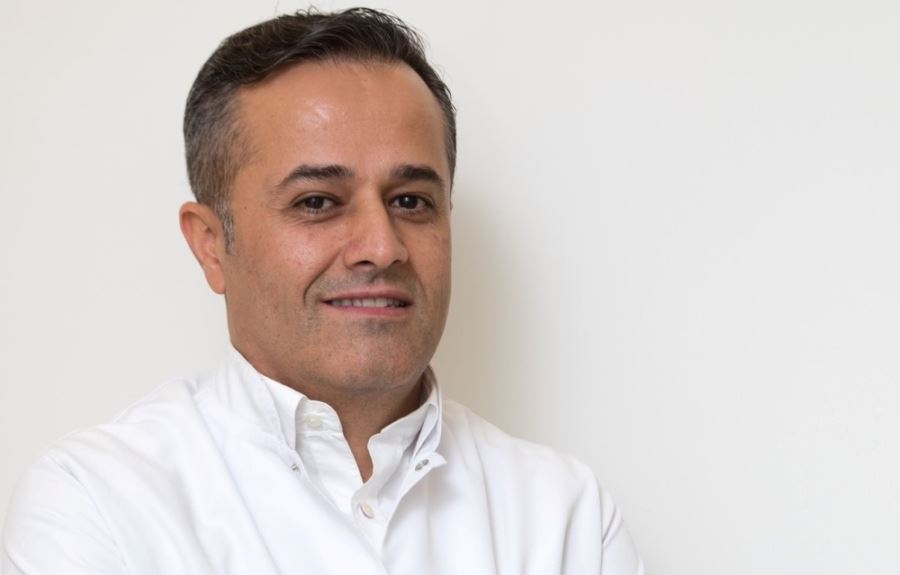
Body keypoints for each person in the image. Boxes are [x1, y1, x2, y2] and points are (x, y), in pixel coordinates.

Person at [1, 8, 644, 574]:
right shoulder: (98, 501)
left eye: (411, 200)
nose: (382, 247)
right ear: (211, 245)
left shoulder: (565, 515)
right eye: (317, 202)